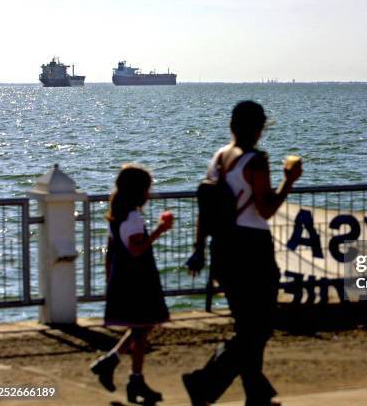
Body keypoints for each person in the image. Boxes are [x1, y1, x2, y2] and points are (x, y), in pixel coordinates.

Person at [183, 101, 302, 406]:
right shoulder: (255, 161)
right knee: (258, 327)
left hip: (222, 248)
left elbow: (205, 211)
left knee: (248, 326)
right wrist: (289, 180)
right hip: (252, 249)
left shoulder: (219, 158)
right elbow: (266, 209)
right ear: (260, 128)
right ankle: (203, 382)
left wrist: (199, 250)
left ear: (232, 125)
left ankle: (256, 395)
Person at [90, 164, 173, 405]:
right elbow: (137, 249)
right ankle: (130, 376)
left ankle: (115, 365)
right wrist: (160, 230)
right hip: (139, 279)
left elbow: (112, 250)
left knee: (141, 328)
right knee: (142, 329)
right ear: (139, 191)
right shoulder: (134, 217)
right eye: (148, 189)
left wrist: (110, 278)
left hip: (124, 277)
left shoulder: (116, 216)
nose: (150, 193)